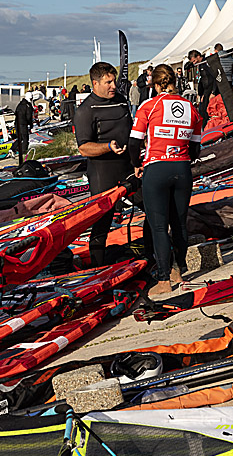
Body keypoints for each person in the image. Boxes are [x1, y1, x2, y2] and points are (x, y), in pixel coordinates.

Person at [128, 64, 202, 296]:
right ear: (174, 82)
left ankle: (163, 280)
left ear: (154, 83)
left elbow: (133, 143)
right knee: (179, 222)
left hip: (156, 169)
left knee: (159, 226)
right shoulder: (191, 108)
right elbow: (196, 148)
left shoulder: (148, 106)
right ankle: (178, 271)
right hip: (182, 169)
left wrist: (136, 165)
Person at [73, 62, 132, 268]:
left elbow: (131, 130)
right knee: (101, 225)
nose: (113, 85)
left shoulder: (121, 101)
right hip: (102, 173)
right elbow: (84, 148)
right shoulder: (85, 110)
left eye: (114, 80)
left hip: (128, 168)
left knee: (154, 210)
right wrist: (108, 146)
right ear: (95, 83)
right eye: (108, 82)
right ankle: (97, 269)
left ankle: (151, 256)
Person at [188, 49, 215, 127]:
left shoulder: (206, 63)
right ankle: (204, 128)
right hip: (205, 91)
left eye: (194, 60)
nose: (194, 63)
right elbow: (202, 80)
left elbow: (214, 77)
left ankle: (207, 128)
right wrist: (201, 94)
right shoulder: (200, 65)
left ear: (198, 56)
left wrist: (213, 92)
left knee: (205, 111)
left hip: (210, 90)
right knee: (201, 111)